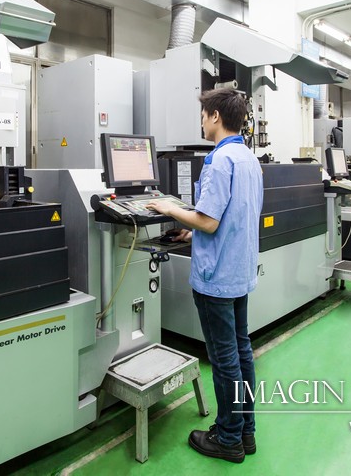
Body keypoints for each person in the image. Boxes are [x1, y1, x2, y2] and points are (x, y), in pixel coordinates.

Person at [146, 88, 263, 464]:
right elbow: (230, 218)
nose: (201, 121)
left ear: (215, 116)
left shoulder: (219, 160)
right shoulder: (248, 158)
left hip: (216, 276)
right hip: (239, 269)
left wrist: (169, 209)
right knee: (242, 352)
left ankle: (227, 438)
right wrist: (191, 231)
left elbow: (210, 221)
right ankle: (245, 430)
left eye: (202, 115)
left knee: (225, 358)